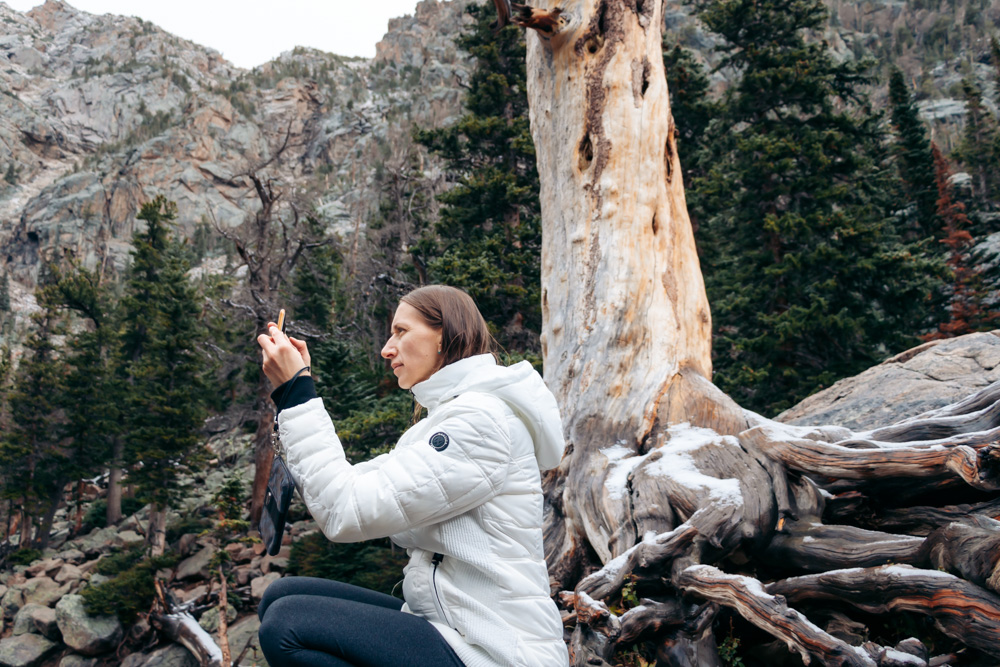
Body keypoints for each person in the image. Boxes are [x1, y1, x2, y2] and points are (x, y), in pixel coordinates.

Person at [255, 285, 569, 667]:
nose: (387, 349)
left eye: (401, 331)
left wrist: (298, 395)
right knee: (281, 595)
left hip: (493, 649)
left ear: (444, 335)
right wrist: (295, 395)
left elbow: (345, 511)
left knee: (287, 627)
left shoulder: (481, 422)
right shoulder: (450, 416)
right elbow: (351, 487)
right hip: (451, 625)